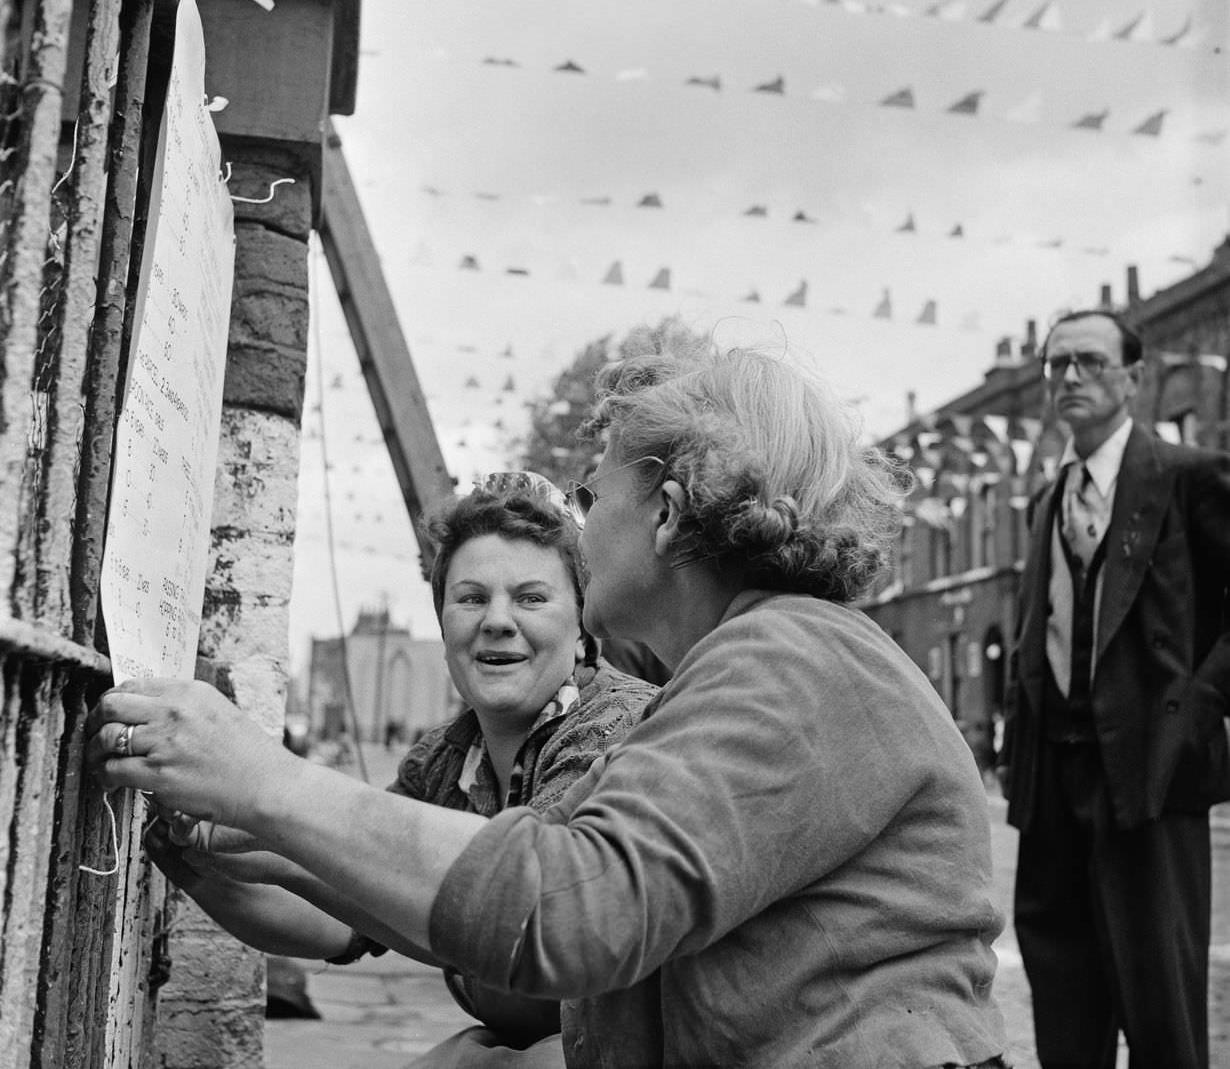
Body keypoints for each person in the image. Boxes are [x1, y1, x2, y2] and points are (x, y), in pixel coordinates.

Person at [88, 346, 1007, 1069]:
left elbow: (575, 910)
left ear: (668, 513)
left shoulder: (791, 657)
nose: (581, 517)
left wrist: (267, 784)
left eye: (592, 492)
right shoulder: (765, 656)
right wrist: (256, 839)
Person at [141, 472, 659, 1065]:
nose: (495, 619)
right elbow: (343, 925)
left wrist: (272, 806)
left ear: (583, 626)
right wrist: (200, 862)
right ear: (442, 623)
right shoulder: (443, 758)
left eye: (531, 597)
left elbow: (527, 933)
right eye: (469, 597)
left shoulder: (614, 731)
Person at [999, 309, 1230, 1069]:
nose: (1069, 377)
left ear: (1135, 377)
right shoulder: (1046, 502)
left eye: (1089, 362)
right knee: (1066, 1017)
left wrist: (1197, 709)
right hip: (1054, 791)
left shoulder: (1185, 475)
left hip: (1151, 779)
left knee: (1163, 1016)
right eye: (1056, 363)